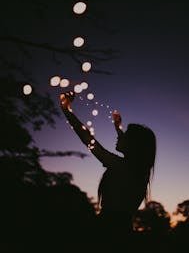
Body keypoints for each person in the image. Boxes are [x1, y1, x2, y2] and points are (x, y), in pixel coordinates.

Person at [59, 92, 156, 233]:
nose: (119, 136)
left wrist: (66, 110)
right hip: (121, 229)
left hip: (109, 230)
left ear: (134, 145)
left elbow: (87, 138)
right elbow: (128, 145)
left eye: (125, 135)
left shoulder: (123, 167)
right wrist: (118, 128)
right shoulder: (138, 170)